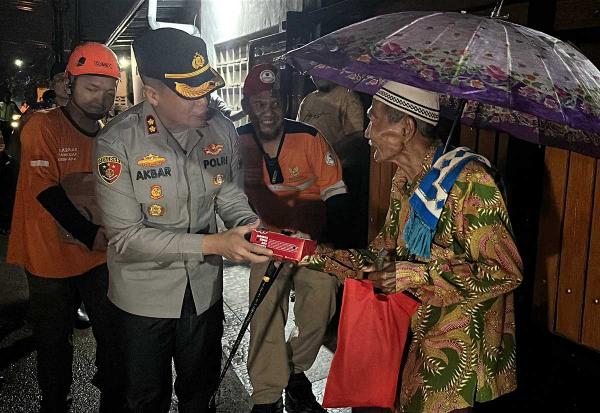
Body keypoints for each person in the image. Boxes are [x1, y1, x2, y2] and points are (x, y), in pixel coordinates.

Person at [302, 81, 523, 413]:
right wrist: (311, 253)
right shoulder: (405, 181)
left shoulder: (470, 182)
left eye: (373, 120)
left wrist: (414, 275)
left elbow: (506, 271)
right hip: (410, 333)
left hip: (457, 354)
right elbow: (381, 255)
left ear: (404, 128)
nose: (366, 133)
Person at [94, 28, 272, 413]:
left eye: (207, 90)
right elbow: (125, 237)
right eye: (192, 95)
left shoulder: (219, 129)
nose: (204, 102)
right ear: (153, 94)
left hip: (204, 292)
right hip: (143, 299)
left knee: (201, 390)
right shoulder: (118, 142)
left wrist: (250, 226)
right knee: (144, 398)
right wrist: (214, 244)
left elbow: (226, 192)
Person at [6, 42, 125, 413]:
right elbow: (45, 189)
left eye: (109, 91)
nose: (101, 98)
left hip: (98, 257)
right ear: (69, 84)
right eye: (92, 87)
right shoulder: (42, 126)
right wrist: (91, 234)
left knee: (112, 331)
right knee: (53, 340)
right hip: (48, 258)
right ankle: (55, 401)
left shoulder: (111, 136)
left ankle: (111, 395)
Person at [237, 63, 350, 413]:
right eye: (259, 103)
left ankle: (295, 372)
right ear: (246, 105)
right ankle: (267, 396)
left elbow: (337, 195)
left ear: (285, 103)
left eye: (274, 102)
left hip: (312, 245)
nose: (268, 111)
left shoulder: (310, 137)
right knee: (265, 311)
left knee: (321, 306)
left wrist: (327, 242)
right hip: (264, 245)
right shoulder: (235, 141)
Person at [297, 76, 369, 245]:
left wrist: (324, 153)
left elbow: (356, 137)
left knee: (334, 229)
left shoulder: (347, 97)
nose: (317, 75)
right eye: (313, 71)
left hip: (338, 174)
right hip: (310, 176)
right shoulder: (308, 100)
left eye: (322, 70)